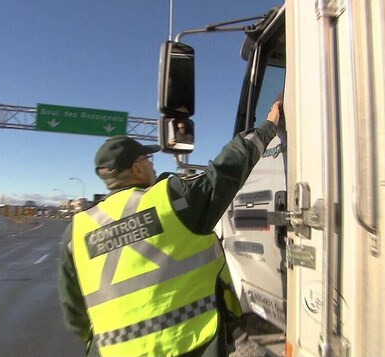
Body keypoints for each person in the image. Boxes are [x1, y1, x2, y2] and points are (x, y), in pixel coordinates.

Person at [58, 101, 282, 356]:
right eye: (148, 159)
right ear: (137, 168)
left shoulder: (76, 231)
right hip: (192, 344)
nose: (152, 165)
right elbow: (227, 170)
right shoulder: (171, 200)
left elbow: (74, 311)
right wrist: (268, 126)